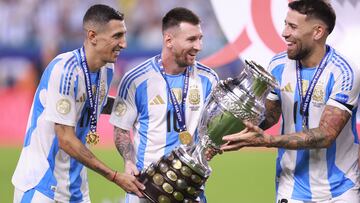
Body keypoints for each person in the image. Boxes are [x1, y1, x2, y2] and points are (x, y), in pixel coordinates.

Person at [220, 0, 360, 202]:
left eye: (292, 27)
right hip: (292, 188)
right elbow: (269, 116)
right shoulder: (278, 65)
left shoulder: (344, 72)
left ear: (318, 32)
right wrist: (229, 126)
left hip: (340, 190)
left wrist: (268, 141)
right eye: (285, 24)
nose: (284, 33)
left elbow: (325, 135)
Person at [12, 4, 145, 203]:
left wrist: (136, 107)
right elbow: (65, 139)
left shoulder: (106, 68)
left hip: (76, 189)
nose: (124, 43)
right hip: (41, 186)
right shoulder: (65, 71)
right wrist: (114, 176)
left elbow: (93, 104)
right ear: (92, 36)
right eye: (117, 36)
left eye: (124, 35)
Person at [109, 7, 219, 203]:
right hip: (145, 188)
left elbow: (213, 128)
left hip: (190, 189)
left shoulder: (209, 79)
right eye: (191, 39)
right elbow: (121, 129)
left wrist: (213, 144)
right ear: (169, 40)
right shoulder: (136, 79)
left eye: (200, 38)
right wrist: (128, 161)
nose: (199, 46)